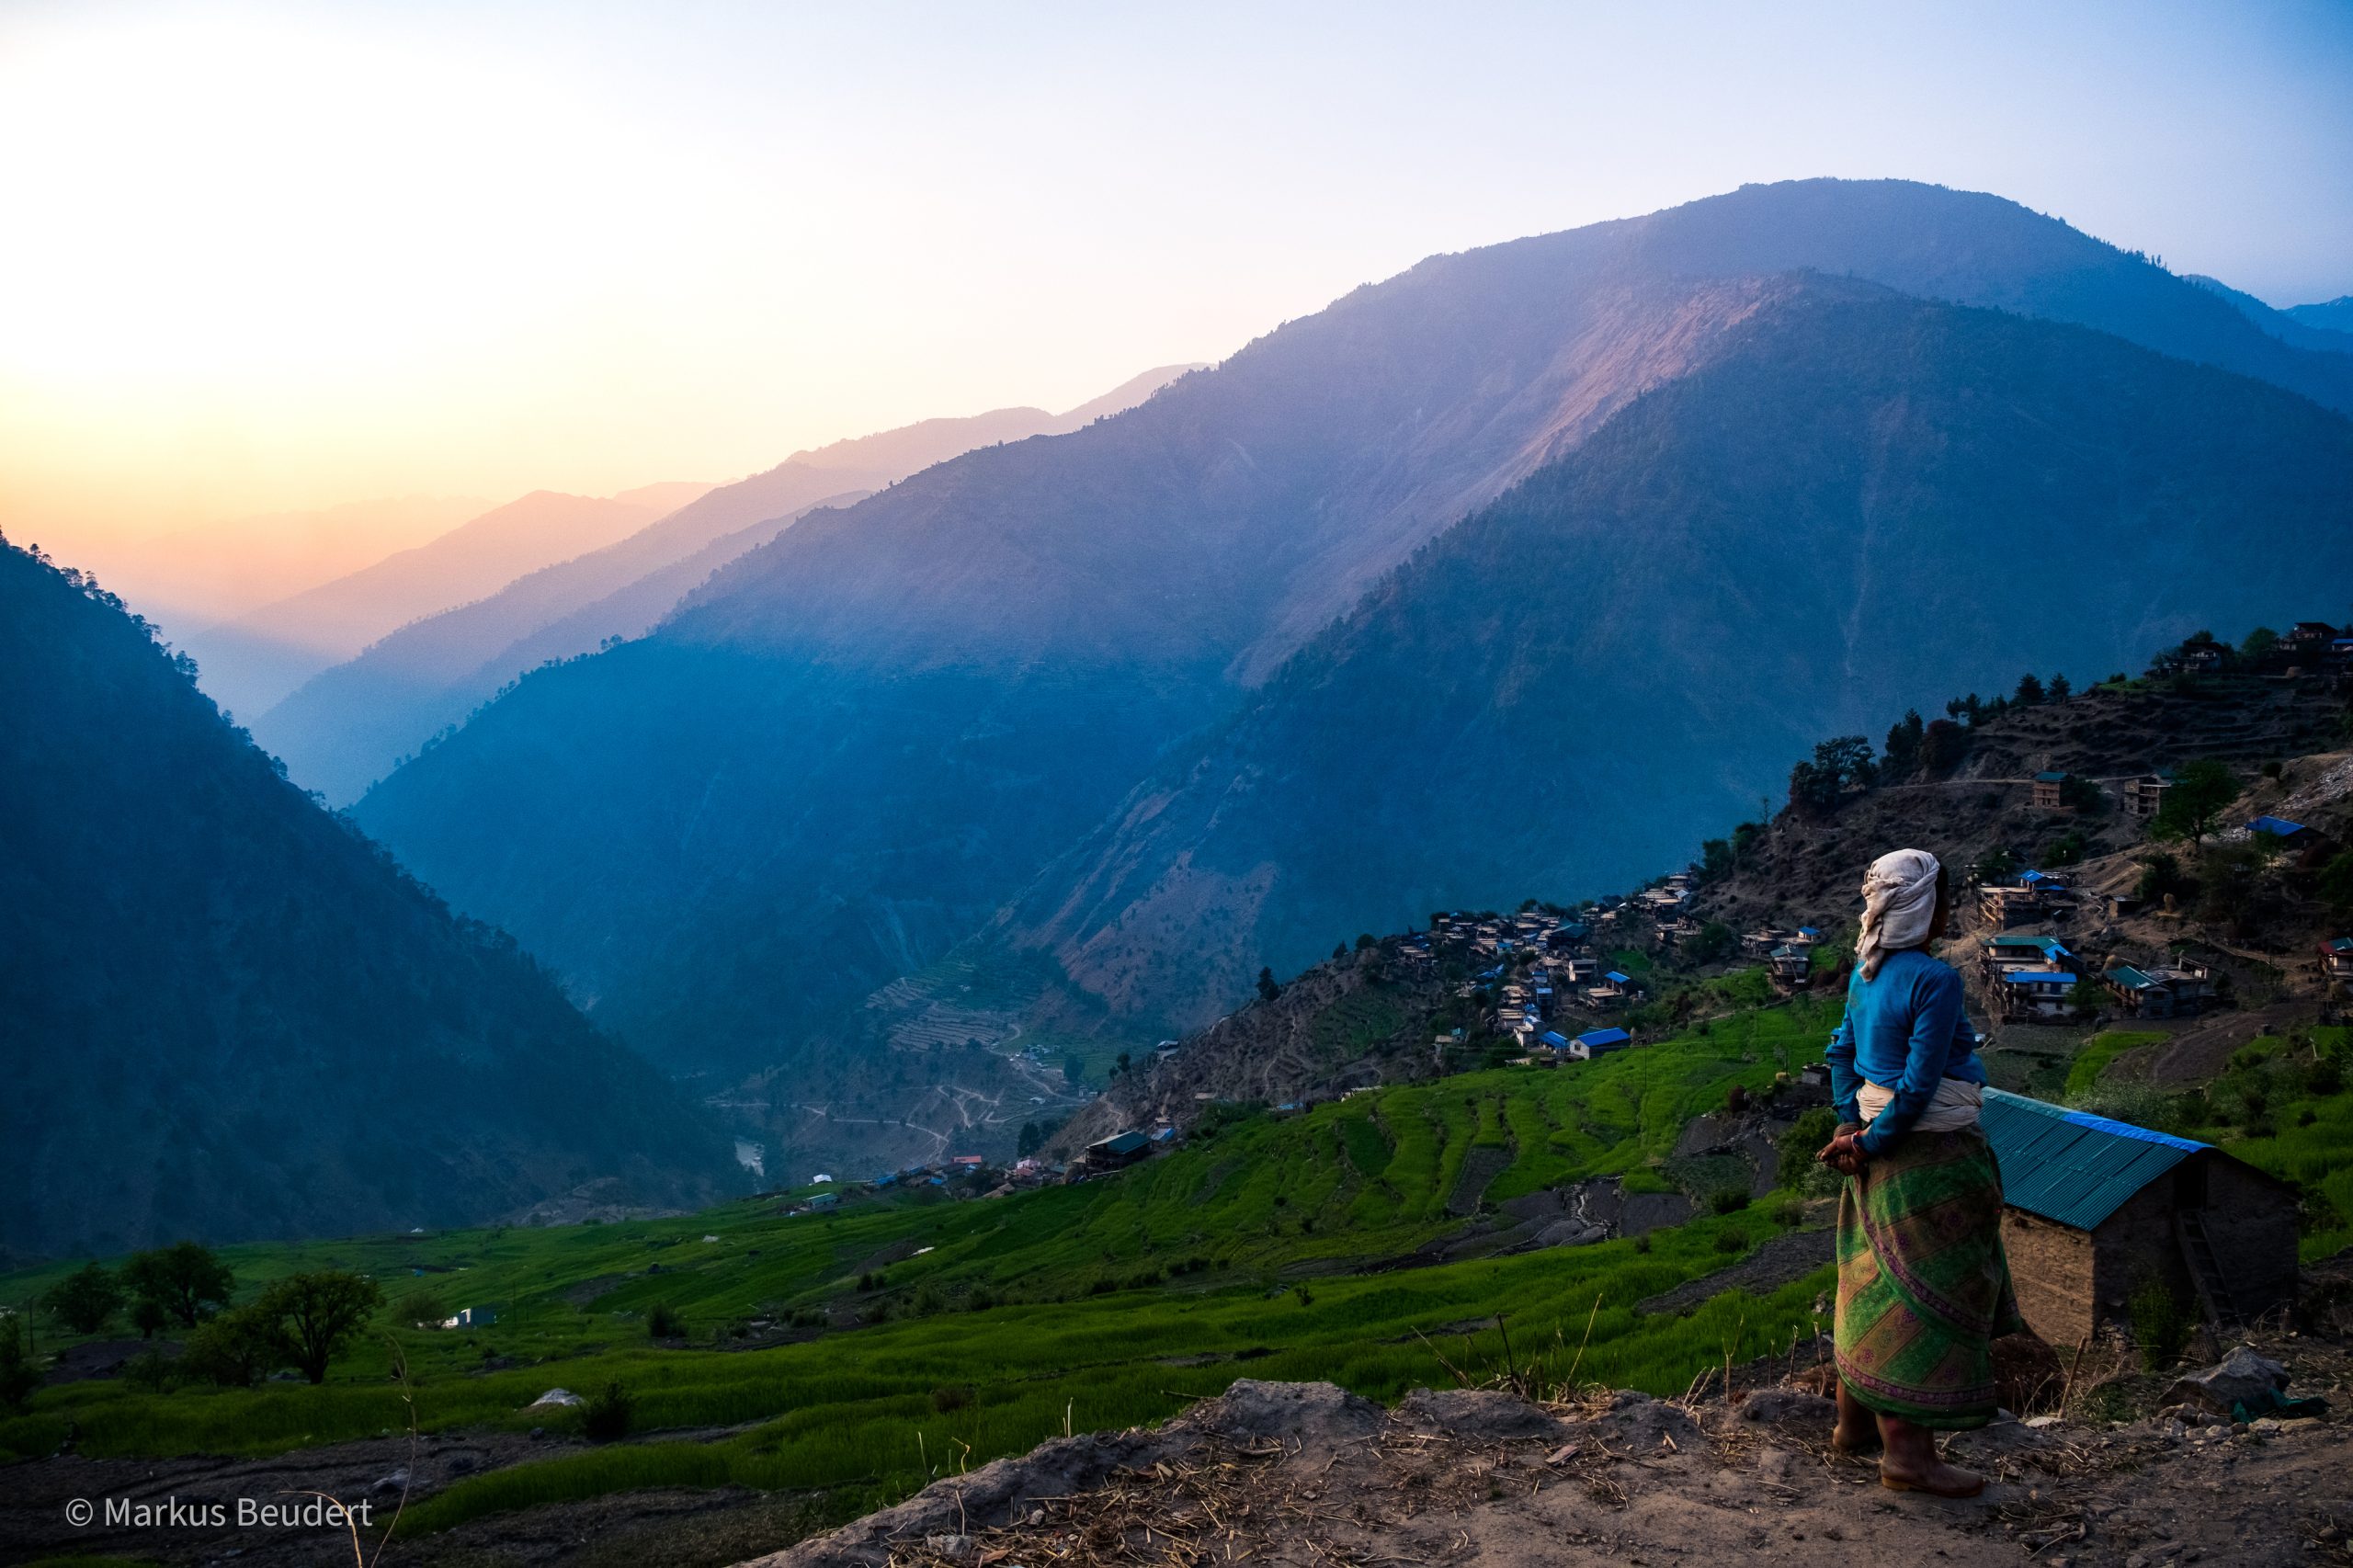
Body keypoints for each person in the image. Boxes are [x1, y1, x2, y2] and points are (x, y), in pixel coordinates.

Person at [1816, 847, 2023, 1497]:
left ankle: (1854, 1427)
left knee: (1872, 1280)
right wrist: (1874, 1142)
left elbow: (1842, 1052)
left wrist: (1850, 1126)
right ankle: (1909, 1458)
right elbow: (1921, 1082)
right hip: (1930, 1160)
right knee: (1928, 1298)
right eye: (1943, 901)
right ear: (1925, 912)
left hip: (1874, 1152)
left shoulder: (1865, 974)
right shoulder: (1933, 981)